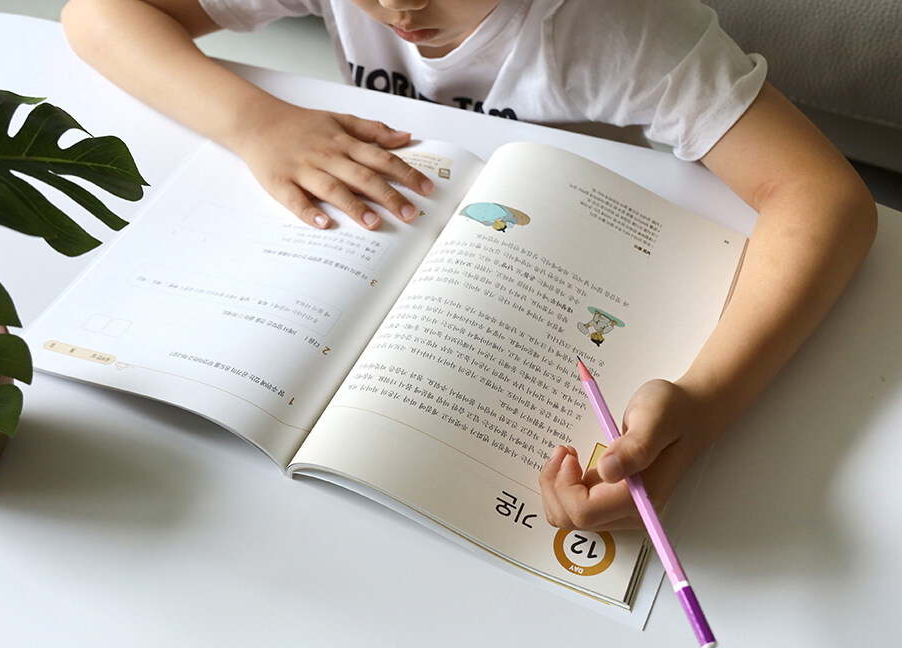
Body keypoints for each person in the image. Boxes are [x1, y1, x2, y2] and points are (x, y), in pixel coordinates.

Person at [60, 0, 878, 531]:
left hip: (565, 286)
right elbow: (98, 13)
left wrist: (705, 404)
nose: (400, 10)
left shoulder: (620, 26)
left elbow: (824, 197)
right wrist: (256, 123)